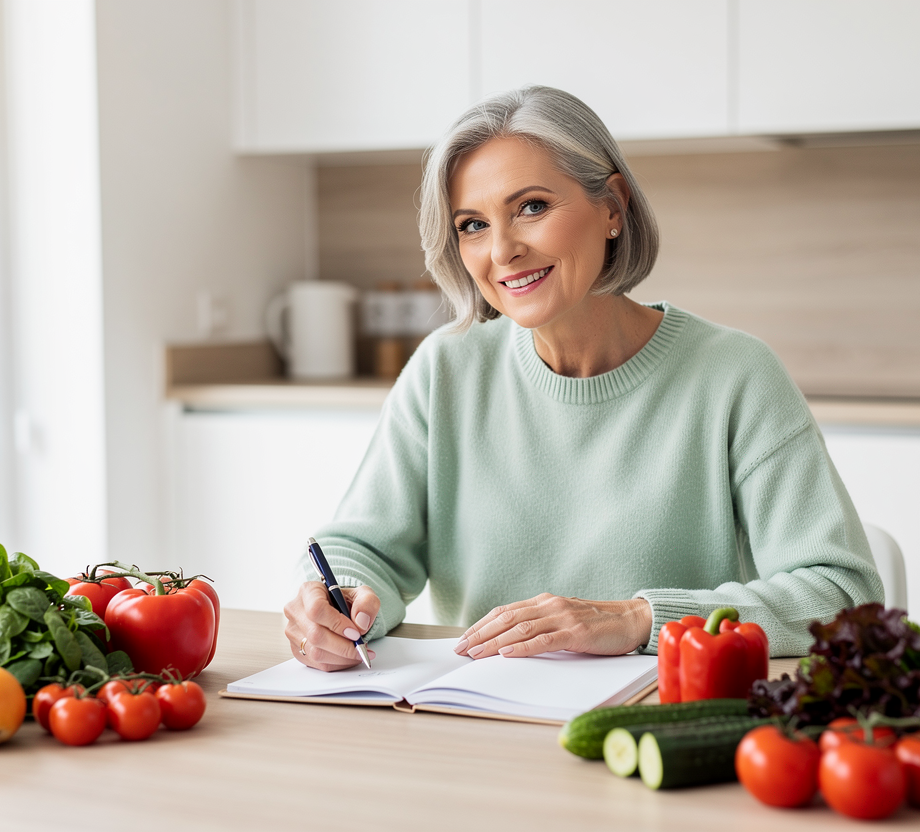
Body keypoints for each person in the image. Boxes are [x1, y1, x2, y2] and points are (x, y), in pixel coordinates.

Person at [283, 86, 882, 672]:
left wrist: (638, 619)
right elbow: (362, 549)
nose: (502, 251)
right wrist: (336, 602)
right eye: (472, 225)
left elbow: (843, 594)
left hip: (661, 723)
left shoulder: (735, 375)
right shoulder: (446, 369)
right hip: (479, 721)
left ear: (613, 208)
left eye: (532, 207)